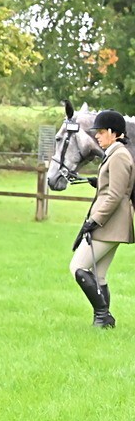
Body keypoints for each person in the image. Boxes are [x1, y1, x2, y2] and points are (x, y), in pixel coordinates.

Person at [70, 109, 134, 327]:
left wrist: (94, 220)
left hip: (108, 223)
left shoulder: (119, 155)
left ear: (113, 132)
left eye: (100, 132)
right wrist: (98, 182)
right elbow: (116, 186)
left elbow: (116, 195)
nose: (96, 136)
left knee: (78, 267)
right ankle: (104, 321)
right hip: (112, 223)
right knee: (100, 276)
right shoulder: (116, 153)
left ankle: (102, 315)